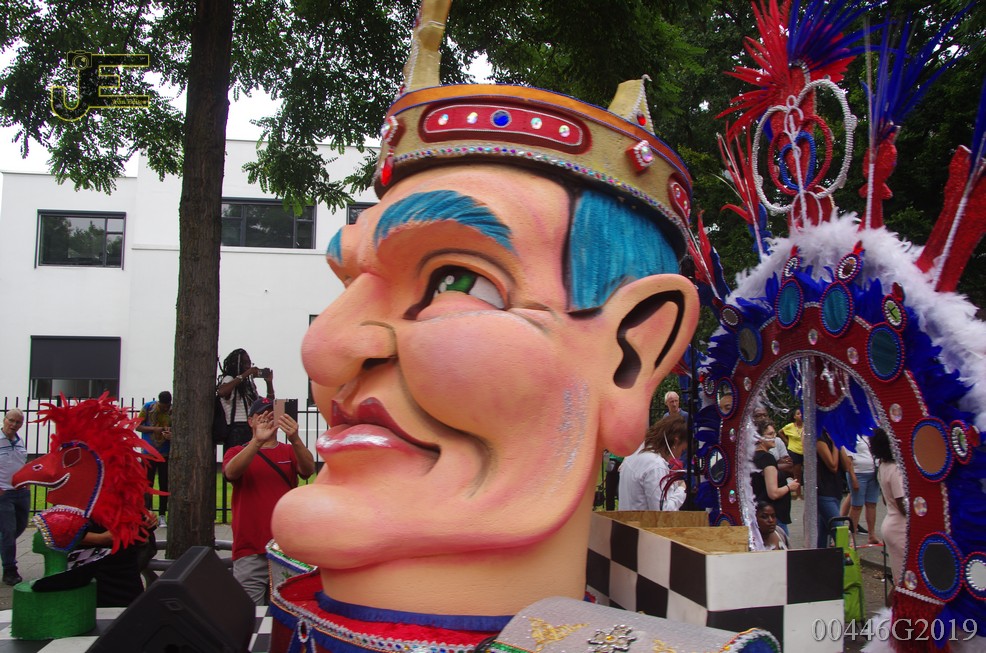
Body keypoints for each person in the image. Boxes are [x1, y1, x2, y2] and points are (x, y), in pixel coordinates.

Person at [223, 397, 315, 605]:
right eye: (262, 416)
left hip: (285, 547)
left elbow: (308, 470)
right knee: (250, 611)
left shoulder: (289, 451)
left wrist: (295, 438)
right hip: (250, 548)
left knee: (285, 609)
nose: (268, 419)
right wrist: (257, 441)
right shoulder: (236, 452)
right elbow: (231, 473)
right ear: (250, 421)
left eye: (272, 415)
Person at [618, 415, 689, 511]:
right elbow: (662, 511)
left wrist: (673, 484)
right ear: (676, 442)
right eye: (682, 450)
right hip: (643, 520)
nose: (679, 456)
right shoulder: (656, 465)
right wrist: (681, 490)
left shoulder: (636, 452)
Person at [871, 427, 906, 596]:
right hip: (900, 527)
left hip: (891, 522)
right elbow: (902, 505)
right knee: (904, 581)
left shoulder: (883, 466)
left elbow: (886, 500)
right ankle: (892, 611)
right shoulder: (896, 469)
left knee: (900, 579)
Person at [217, 349, 274, 448]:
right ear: (236, 364)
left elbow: (268, 403)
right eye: (244, 363)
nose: (248, 366)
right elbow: (222, 392)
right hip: (236, 429)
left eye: (249, 363)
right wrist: (245, 374)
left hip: (249, 427)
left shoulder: (247, 385)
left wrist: (269, 383)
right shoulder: (229, 379)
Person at [750, 421, 798, 535]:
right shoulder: (767, 458)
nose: (774, 437)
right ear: (759, 438)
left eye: (774, 434)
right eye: (770, 434)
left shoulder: (752, 456)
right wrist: (789, 487)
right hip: (773, 515)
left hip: (759, 512)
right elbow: (773, 493)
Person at [0, 409, 29, 585]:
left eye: (18, 422)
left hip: (21, 492)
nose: (14, 425)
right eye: (11, 420)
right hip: (4, 493)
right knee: (9, 531)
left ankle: (4, 545)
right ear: (4, 419)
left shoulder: (20, 441)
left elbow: (22, 463)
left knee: (20, 526)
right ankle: (10, 570)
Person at [136, 390, 172, 526]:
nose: (165, 409)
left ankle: (162, 514)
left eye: (167, 407)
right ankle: (147, 512)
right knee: (147, 485)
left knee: (164, 484)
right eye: (163, 407)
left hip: (164, 453)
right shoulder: (148, 407)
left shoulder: (173, 411)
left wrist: (169, 433)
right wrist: (153, 429)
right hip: (148, 452)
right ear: (159, 402)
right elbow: (137, 426)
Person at [842, 433, 882, 545]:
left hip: (873, 473)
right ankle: (852, 536)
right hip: (858, 473)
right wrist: (853, 478)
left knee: (872, 504)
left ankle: (871, 535)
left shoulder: (871, 433)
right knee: (856, 506)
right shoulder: (851, 434)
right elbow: (848, 459)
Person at [815, 430, 844, 548]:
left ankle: (820, 556)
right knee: (839, 529)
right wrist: (836, 444)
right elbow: (833, 465)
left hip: (836, 489)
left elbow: (847, 465)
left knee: (824, 532)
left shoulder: (833, 434)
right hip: (824, 490)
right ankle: (845, 557)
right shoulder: (819, 437)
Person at [779, 408, 804, 485]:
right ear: (794, 417)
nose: (801, 415)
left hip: (806, 451)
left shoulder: (807, 425)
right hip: (794, 451)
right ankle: (797, 492)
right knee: (797, 474)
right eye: (798, 414)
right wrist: (787, 442)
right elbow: (780, 432)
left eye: (801, 413)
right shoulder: (790, 426)